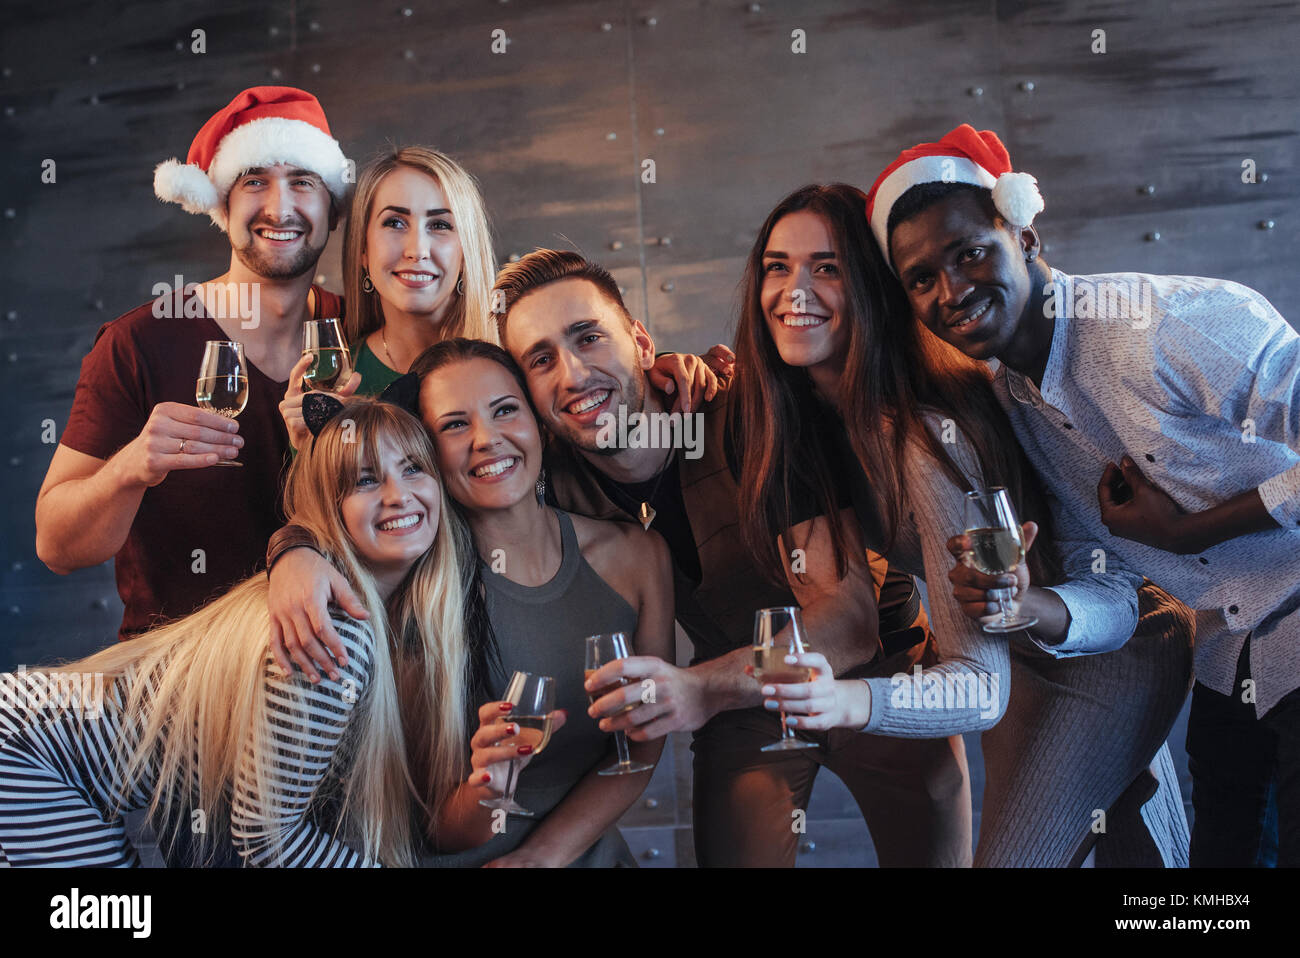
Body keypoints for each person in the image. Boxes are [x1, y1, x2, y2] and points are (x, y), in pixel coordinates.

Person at [871, 124, 1300, 866]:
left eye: (969, 252)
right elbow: (1116, 588)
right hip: (1229, 662)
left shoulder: (1160, 327)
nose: (952, 291)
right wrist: (1028, 604)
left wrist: (1192, 532)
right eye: (921, 279)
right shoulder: (1014, 412)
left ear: (1024, 234)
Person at [736, 183, 1194, 867]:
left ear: (871, 285)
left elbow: (977, 686)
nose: (794, 289)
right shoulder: (809, 425)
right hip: (1023, 661)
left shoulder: (924, 439)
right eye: (778, 266)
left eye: (826, 267)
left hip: (1104, 652)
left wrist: (843, 700)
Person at [484, 250, 970, 867]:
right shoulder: (548, 482)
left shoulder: (751, 417)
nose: (574, 373)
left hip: (882, 677)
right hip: (744, 700)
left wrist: (699, 687)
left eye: (589, 337)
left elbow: (847, 626)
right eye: (542, 358)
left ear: (639, 340)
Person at [2, 399, 528, 867]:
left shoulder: (356, 608)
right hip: (22, 751)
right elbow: (268, 839)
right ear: (332, 509)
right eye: (365, 481)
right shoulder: (334, 625)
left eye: (414, 469)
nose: (398, 495)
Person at [270, 341, 673, 866]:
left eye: (505, 410)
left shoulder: (640, 556)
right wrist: (489, 785)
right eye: (454, 425)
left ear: (539, 422)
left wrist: (545, 857)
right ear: (423, 451)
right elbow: (436, 829)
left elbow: (638, 751)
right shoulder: (412, 592)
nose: (487, 439)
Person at [35, 86, 347, 642]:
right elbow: (56, 547)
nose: (280, 207)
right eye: (254, 181)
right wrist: (133, 466)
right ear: (222, 204)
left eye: (303, 182)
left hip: (335, 679)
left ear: (333, 207)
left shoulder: (361, 337)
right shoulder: (139, 341)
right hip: (174, 688)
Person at [278, 146, 719, 450]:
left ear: (467, 248)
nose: (417, 249)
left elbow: (608, 393)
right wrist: (309, 451)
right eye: (395, 223)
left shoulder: (522, 355)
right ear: (362, 250)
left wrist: (666, 375)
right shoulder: (334, 381)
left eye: (441, 225)